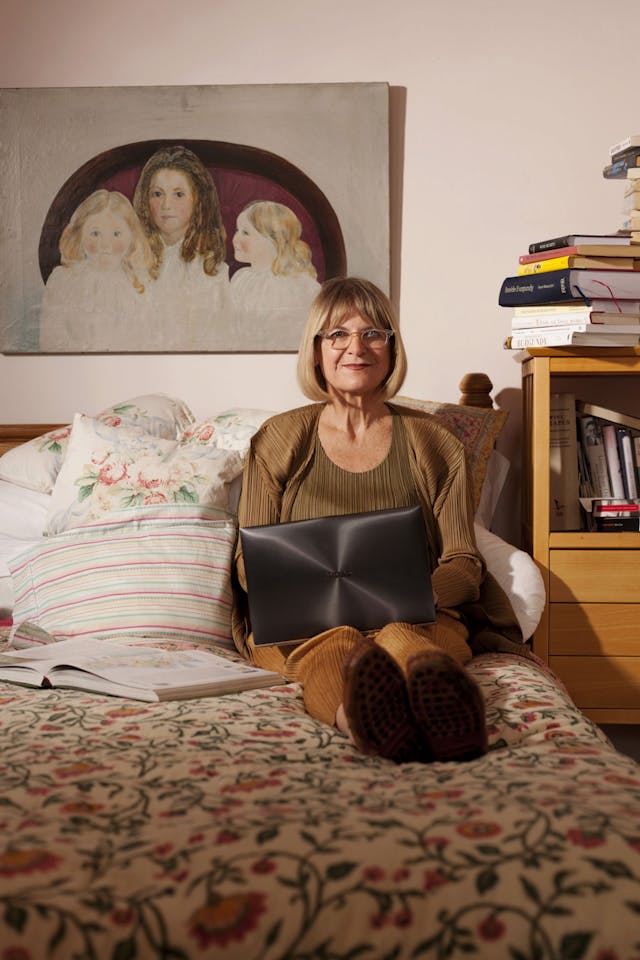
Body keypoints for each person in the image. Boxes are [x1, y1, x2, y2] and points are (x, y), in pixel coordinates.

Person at [232, 276, 528, 765]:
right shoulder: (280, 439)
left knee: (400, 637)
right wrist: (298, 589)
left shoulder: (434, 442)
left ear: (391, 348)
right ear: (316, 351)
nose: (357, 347)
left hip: (417, 615)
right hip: (306, 625)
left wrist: (421, 594)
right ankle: (367, 723)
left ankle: (446, 713)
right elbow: (249, 560)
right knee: (336, 648)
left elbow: (462, 559)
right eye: (338, 334)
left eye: (373, 333)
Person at [133, 145, 232, 349]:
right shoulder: (133, 260)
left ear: (198, 201)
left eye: (178, 195)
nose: (166, 205)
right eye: (157, 194)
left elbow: (221, 337)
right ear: (145, 199)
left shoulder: (211, 268)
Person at [39, 189, 154, 352]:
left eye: (116, 234)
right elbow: (51, 342)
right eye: (95, 233)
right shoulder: (62, 281)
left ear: (132, 237)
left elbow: (147, 343)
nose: (105, 245)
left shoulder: (140, 284)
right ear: (80, 235)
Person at [230, 200, 321, 348]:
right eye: (237, 230)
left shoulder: (294, 285)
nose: (235, 239)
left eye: (245, 233)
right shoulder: (241, 278)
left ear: (272, 240)